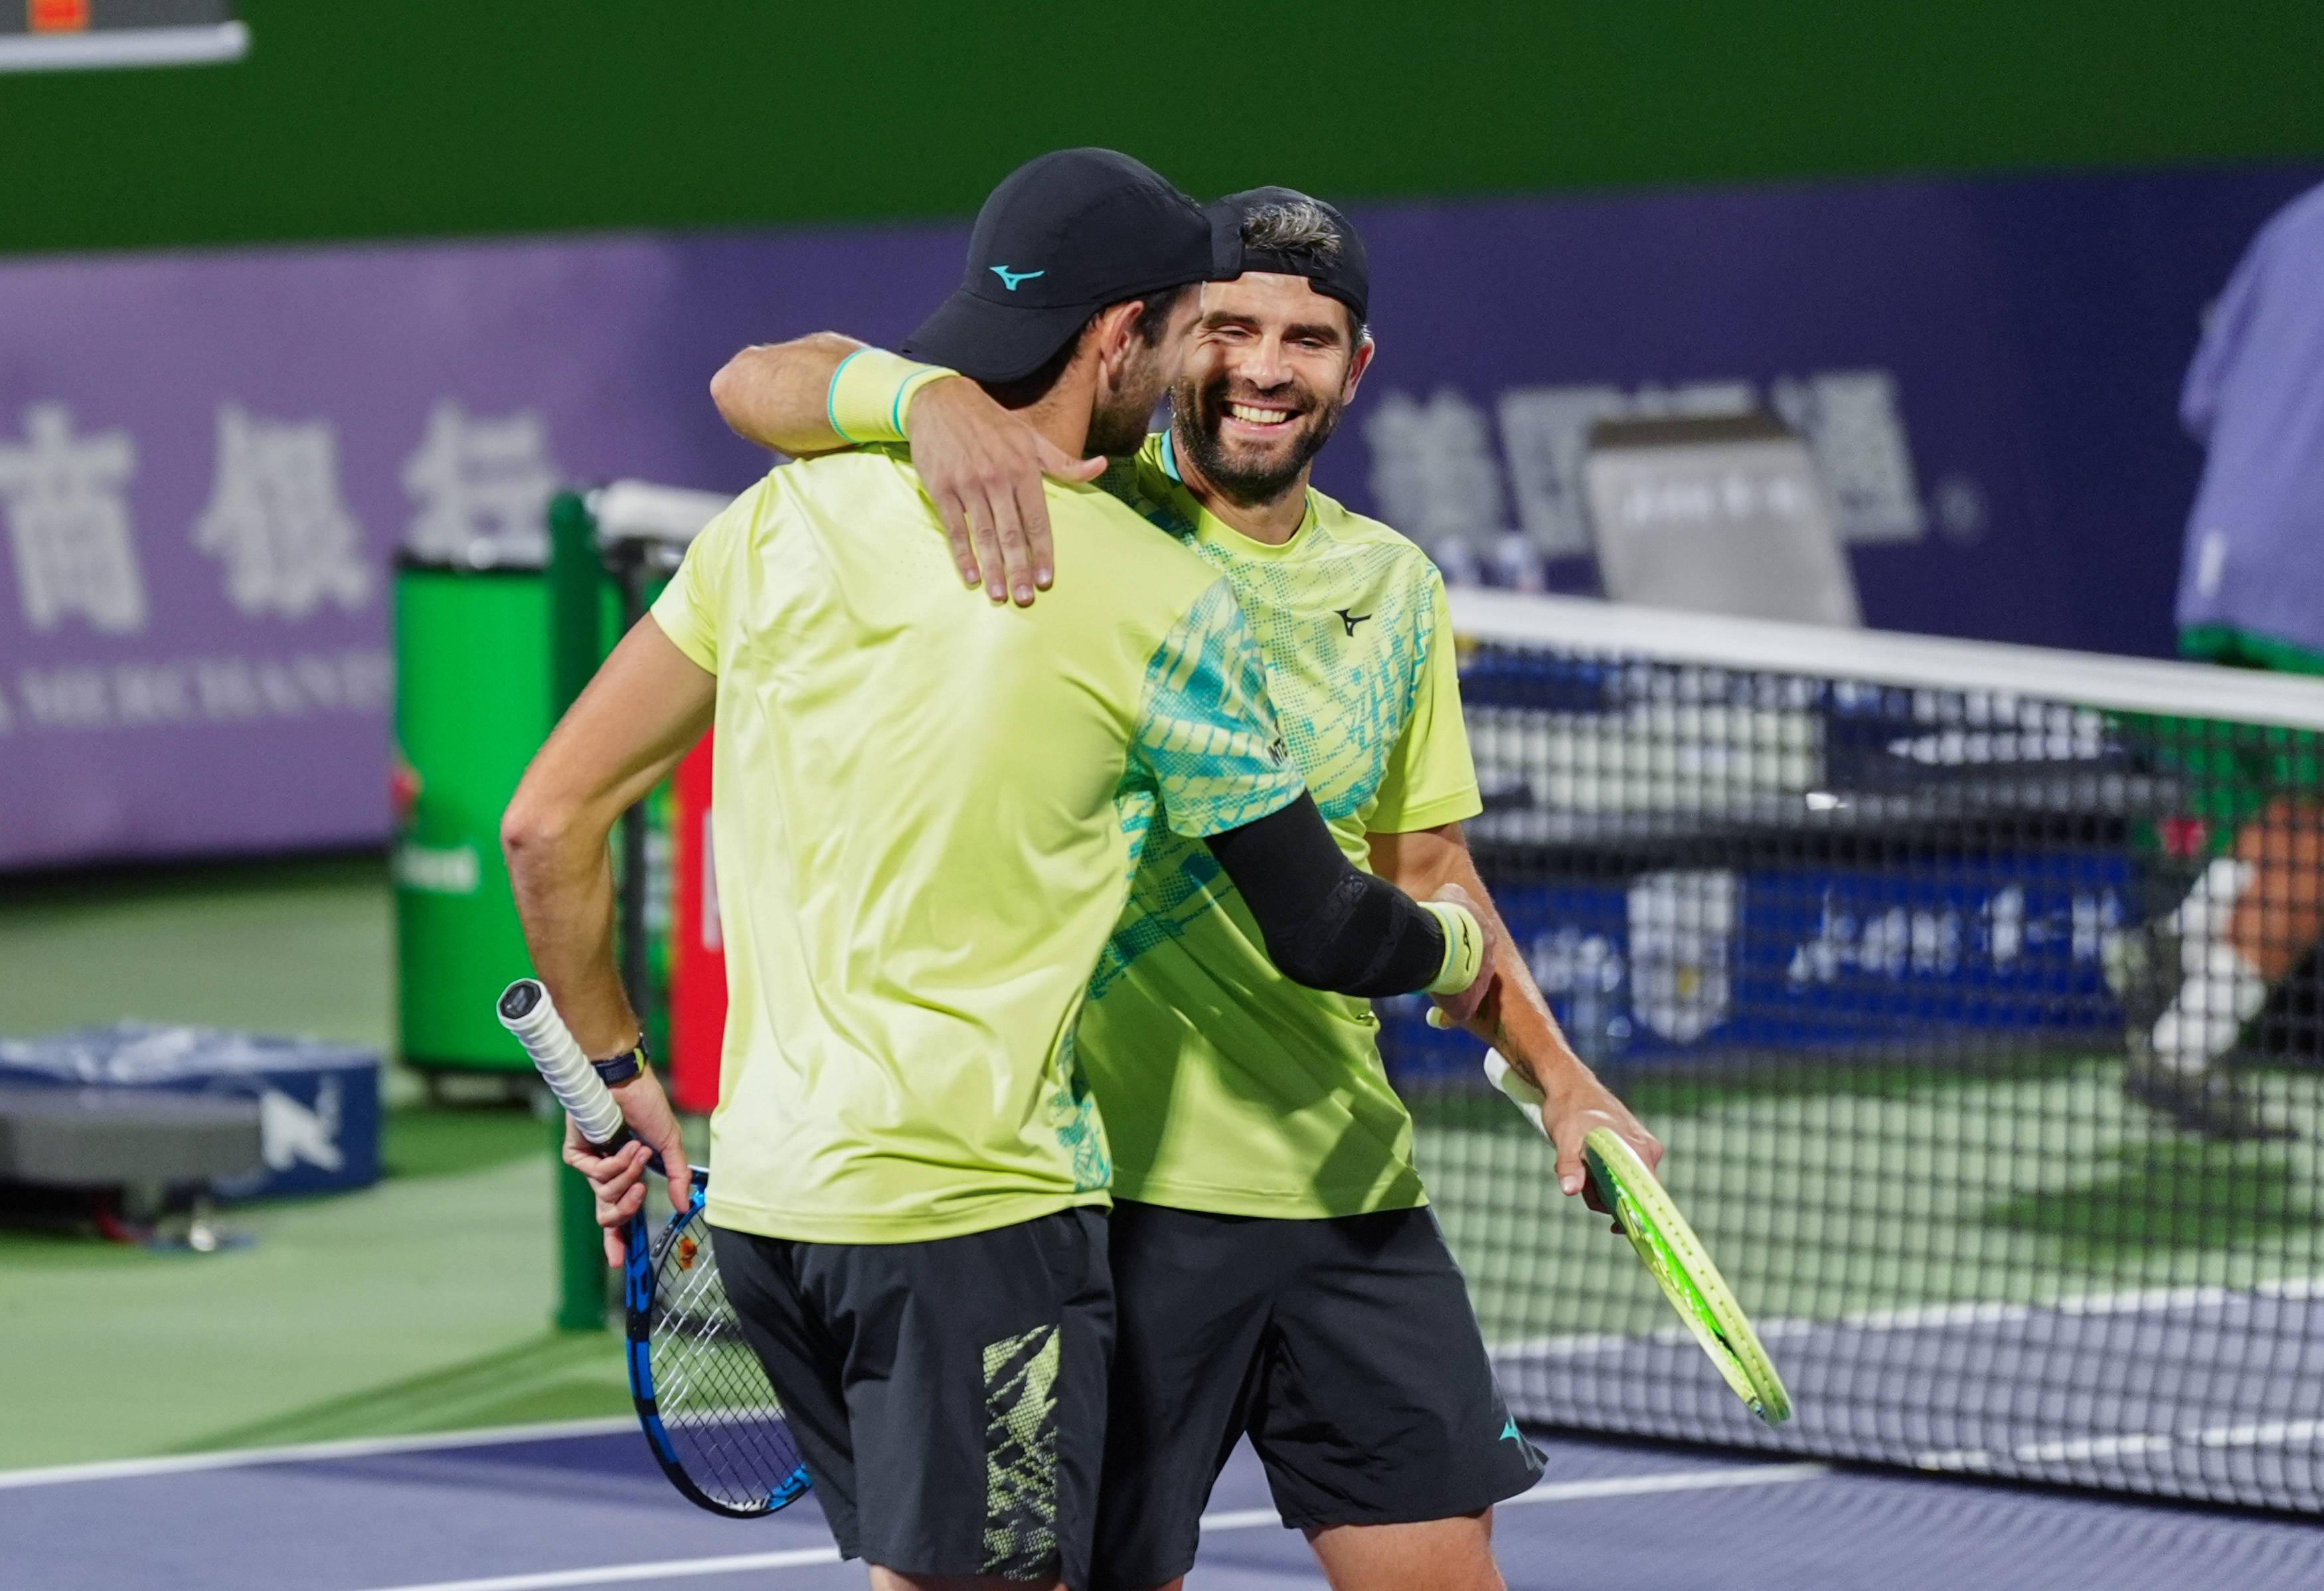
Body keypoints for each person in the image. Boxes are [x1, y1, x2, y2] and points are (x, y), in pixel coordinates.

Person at [504, 149, 1504, 1591]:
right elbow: (1324, 923)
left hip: (775, 1207)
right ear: (1118, 338)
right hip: (976, 1220)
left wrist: (614, 1085)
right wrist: (1460, 950)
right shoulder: (1158, 596)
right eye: (1181, 332)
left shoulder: (788, 516)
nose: (1194, 368)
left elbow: (548, 826)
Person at [707, 185, 1659, 1591]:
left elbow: (1424, 872)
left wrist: (1558, 1076)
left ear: (1358, 366)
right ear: (1148, 342)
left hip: (1346, 1189)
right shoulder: (1059, 519)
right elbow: (754, 382)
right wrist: (921, 401)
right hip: (1119, 1210)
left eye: (1309, 337)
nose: (1265, 366)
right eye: (1228, 328)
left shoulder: (1389, 585)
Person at [2113, 181, 2324, 1142]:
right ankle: (2186, 1051)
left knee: (2300, 808)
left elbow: (2205, 397)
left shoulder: (2296, 222)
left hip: (2220, 563)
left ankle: (2184, 937)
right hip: (2310, 584)